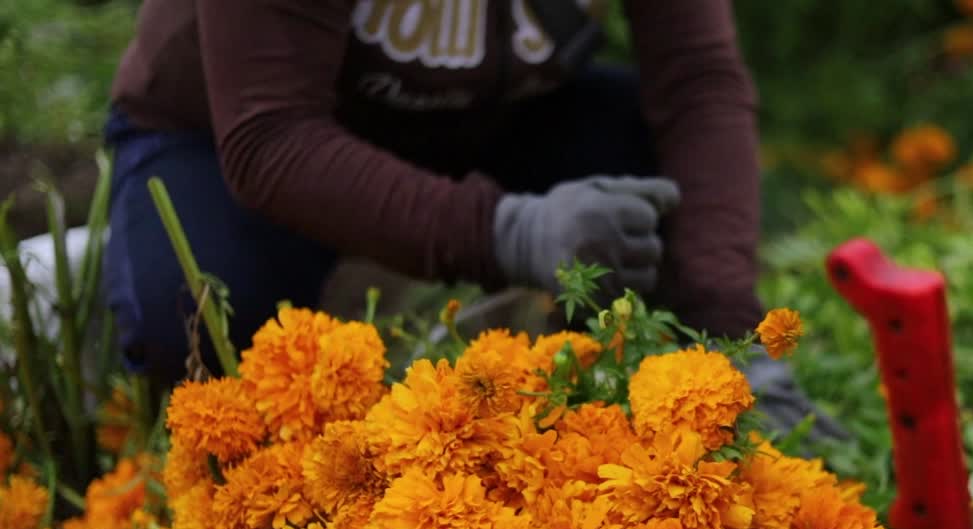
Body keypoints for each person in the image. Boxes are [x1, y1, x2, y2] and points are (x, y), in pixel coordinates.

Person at [103, 0, 849, 442]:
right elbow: (270, 139)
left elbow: (698, 83)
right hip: (242, 132)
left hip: (492, 121)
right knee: (192, 317)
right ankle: (92, 268)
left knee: (658, 189)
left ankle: (641, 403)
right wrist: (513, 232)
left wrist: (732, 333)